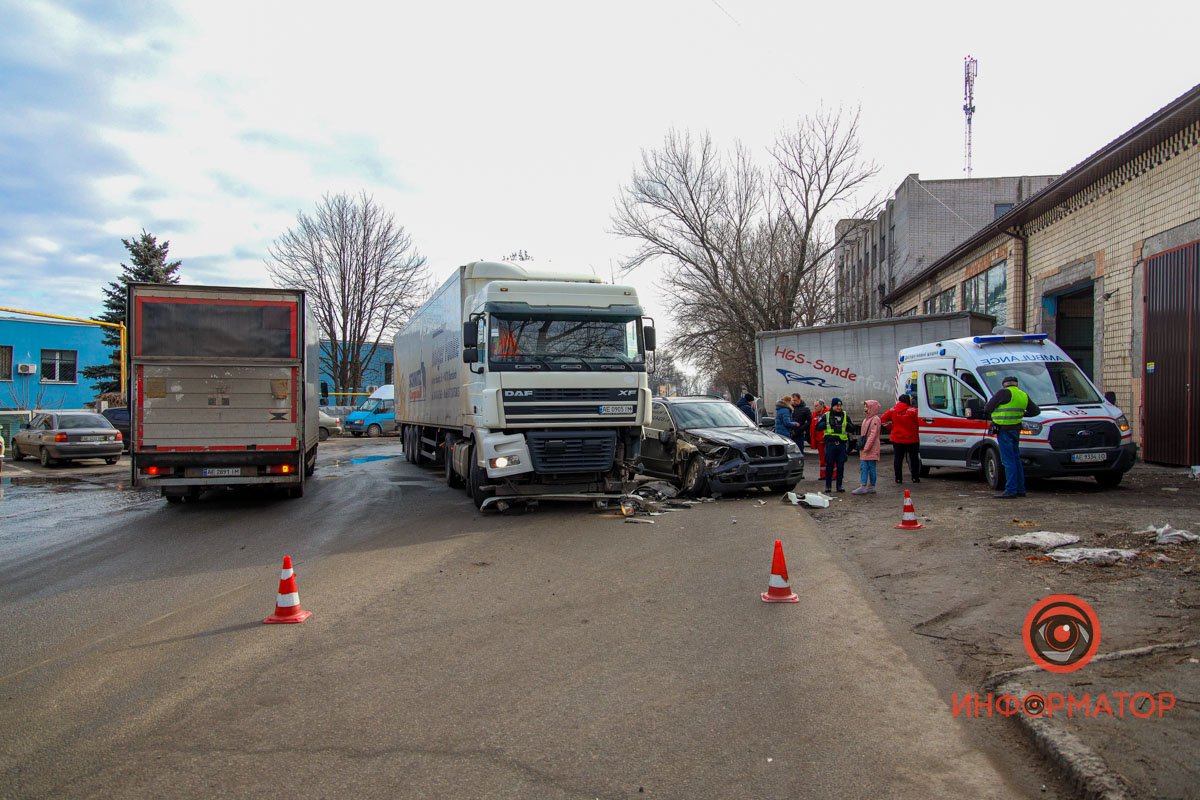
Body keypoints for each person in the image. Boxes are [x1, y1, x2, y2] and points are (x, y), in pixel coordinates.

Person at [982, 375, 1040, 499]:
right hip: (1015, 430)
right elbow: (1036, 411)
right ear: (1016, 384)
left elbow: (987, 408)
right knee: (1016, 460)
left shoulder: (1003, 393)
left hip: (1004, 431)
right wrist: (1022, 413)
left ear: (1004, 384)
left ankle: (1010, 490)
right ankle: (1020, 489)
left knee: (1008, 461)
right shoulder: (1023, 394)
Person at [881, 393, 921, 484]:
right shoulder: (914, 411)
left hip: (897, 438)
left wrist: (892, 427)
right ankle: (915, 477)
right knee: (914, 459)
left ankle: (898, 478)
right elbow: (919, 422)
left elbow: (883, 419)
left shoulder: (893, 409)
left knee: (898, 459)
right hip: (912, 439)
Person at [816, 397, 852, 493]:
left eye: (840, 406)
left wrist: (847, 426)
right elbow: (818, 427)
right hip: (830, 444)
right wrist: (825, 424)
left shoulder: (845, 416)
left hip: (841, 445)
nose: (839, 407)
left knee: (840, 466)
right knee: (829, 465)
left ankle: (839, 486)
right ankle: (828, 486)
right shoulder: (827, 416)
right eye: (837, 406)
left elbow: (851, 428)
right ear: (832, 406)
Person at [852, 400, 882, 494]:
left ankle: (866, 486)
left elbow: (873, 435)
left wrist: (866, 447)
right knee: (865, 466)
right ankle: (866, 485)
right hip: (866, 448)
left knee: (869, 467)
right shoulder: (867, 419)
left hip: (869, 448)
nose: (865, 409)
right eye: (865, 407)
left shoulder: (875, 419)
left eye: (867, 407)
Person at [809, 399, 828, 481]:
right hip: (819, 440)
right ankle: (823, 475)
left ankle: (833, 475)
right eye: (814, 406)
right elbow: (812, 428)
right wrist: (813, 442)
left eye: (816, 406)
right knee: (822, 459)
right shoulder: (814, 414)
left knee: (830, 458)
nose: (815, 408)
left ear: (822, 406)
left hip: (827, 440)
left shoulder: (828, 413)